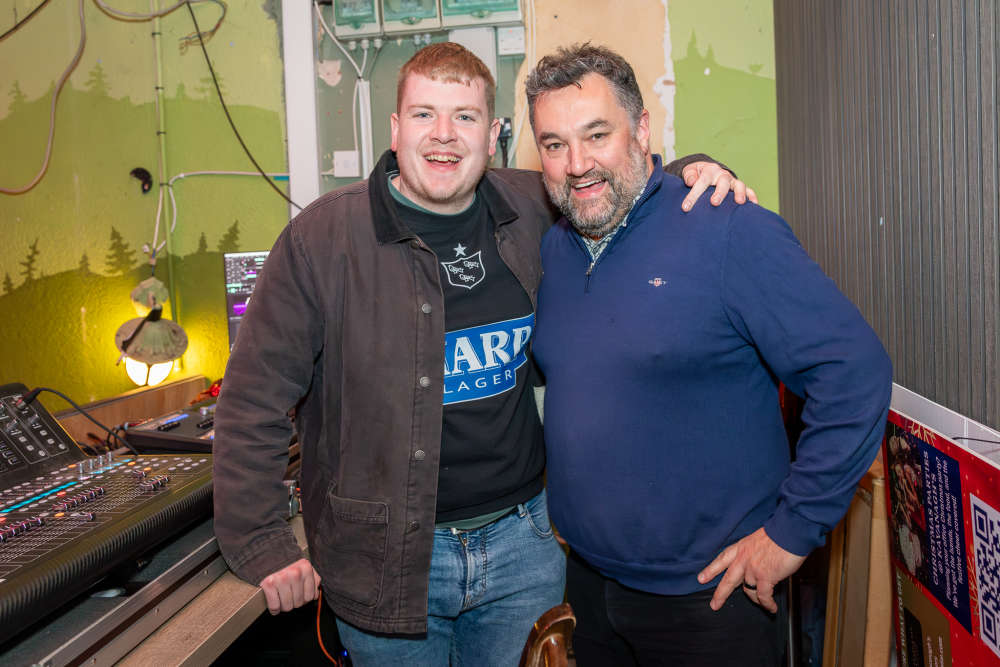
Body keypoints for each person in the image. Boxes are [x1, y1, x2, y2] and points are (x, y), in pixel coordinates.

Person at [212, 42, 749, 666]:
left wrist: (694, 170)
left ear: (493, 135)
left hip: (525, 547)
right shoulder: (322, 240)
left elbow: (617, 187)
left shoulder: (533, 206)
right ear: (395, 128)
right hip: (385, 563)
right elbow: (252, 401)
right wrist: (262, 541)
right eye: (424, 114)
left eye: (464, 116)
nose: (444, 135)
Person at [526, 44, 892, 666]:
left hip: (710, 601)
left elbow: (853, 370)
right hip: (588, 585)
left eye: (597, 134)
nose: (577, 163)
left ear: (642, 129)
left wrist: (790, 533)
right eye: (554, 144)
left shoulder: (726, 228)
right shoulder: (555, 250)